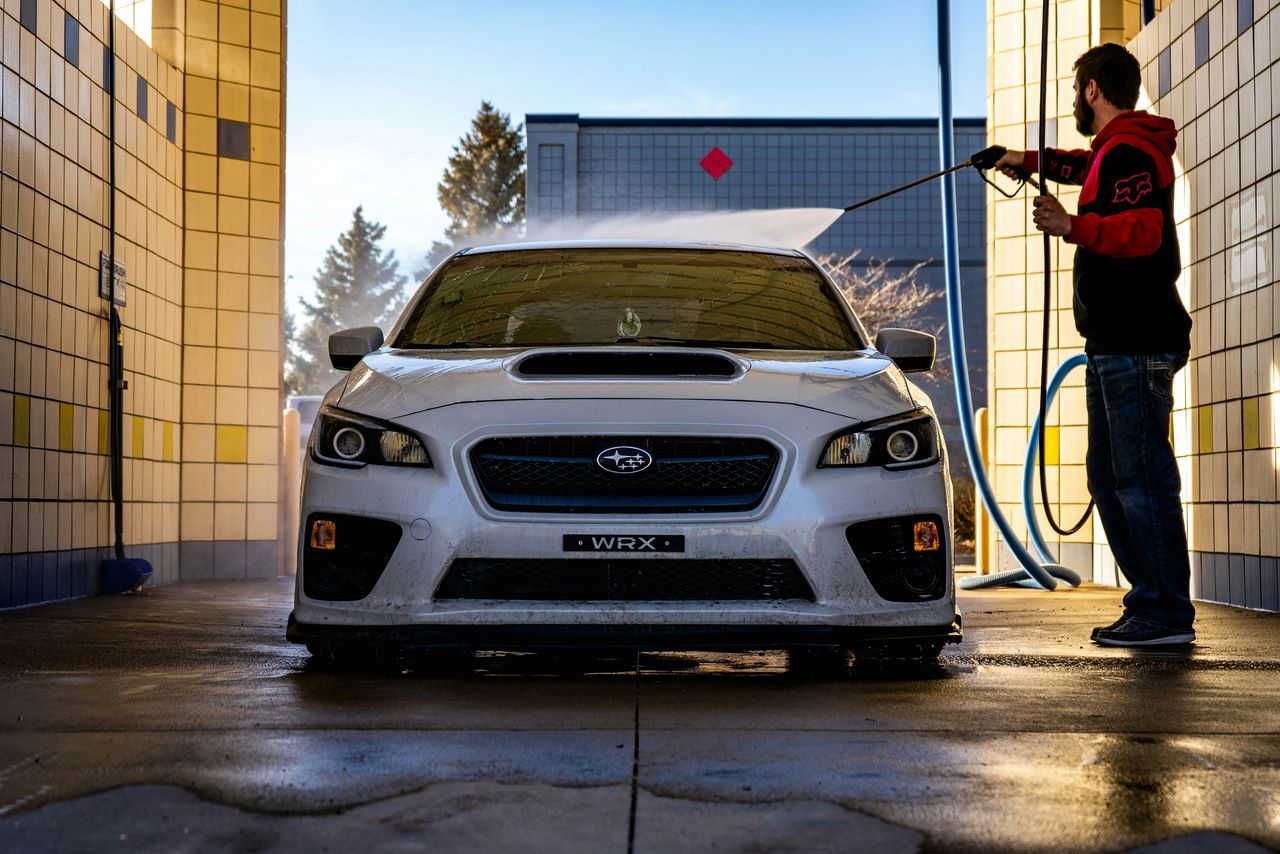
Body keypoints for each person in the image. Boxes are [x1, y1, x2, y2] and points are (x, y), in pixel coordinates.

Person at [995, 43, 1195, 647]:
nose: (1073, 100)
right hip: (1115, 344)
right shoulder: (1118, 149)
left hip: (1137, 343)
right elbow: (1086, 169)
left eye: (1076, 89)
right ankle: (1151, 605)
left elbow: (1146, 231)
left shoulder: (1130, 147)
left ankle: (1164, 612)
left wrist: (1072, 226)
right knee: (1109, 478)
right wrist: (1020, 158)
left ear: (1091, 90)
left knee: (1141, 478)